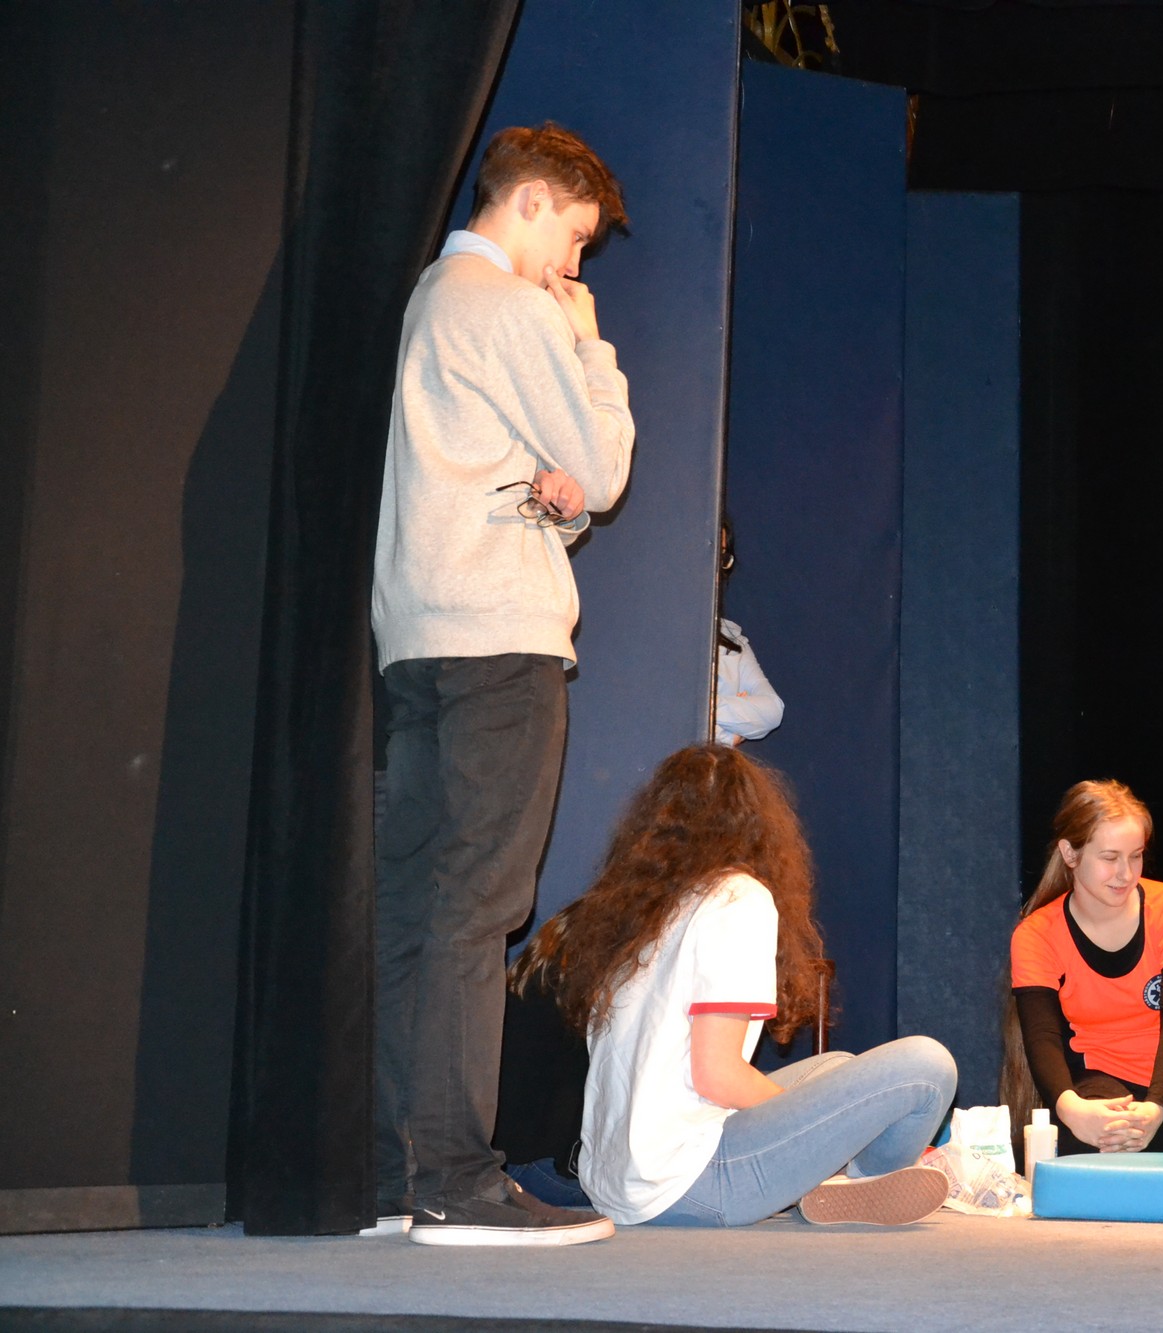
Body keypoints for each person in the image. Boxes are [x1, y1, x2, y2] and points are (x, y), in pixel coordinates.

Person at [371, 123, 635, 1245]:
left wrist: (551, 499)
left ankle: (393, 1171)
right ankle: (457, 1176)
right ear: (530, 201)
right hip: (498, 644)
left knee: (417, 908)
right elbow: (606, 470)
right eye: (572, 237)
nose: (572, 266)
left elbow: (528, 490)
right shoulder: (514, 308)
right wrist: (590, 346)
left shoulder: (431, 299)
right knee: (480, 908)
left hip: (419, 640)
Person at [512, 744, 957, 1227]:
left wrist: (820, 1120)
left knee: (836, 1068)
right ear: (758, 823)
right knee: (926, 1065)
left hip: (617, 1180)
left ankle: (831, 1182)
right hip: (686, 1183)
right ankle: (860, 1184)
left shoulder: (641, 911)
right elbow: (716, 1075)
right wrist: (817, 1128)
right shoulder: (736, 898)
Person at [1003, 781, 1163, 1157]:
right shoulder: (1036, 933)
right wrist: (1072, 1110)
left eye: (1136, 856)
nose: (1125, 873)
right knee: (1095, 1131)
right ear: (1070, 853)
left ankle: (1111, 1147)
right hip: (1096, 1088)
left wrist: (1156, 1107)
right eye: (1110, 858)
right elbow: (1042, 1037)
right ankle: (1095, 1144)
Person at [713, 516, 784, 746]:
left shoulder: (731, 639)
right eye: (710, 552)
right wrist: (729, 730)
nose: (716, 567)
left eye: (722, 556)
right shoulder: (652, 631)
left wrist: (712, 706)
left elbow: (773, 711)